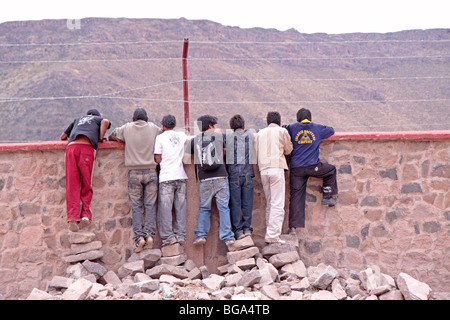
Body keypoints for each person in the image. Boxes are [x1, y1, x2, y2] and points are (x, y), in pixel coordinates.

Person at [108, 108, 162, 253]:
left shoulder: (127, 128)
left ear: (133, 118)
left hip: (134, 173)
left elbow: (112, 135)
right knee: (150, 205)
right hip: (151, 171)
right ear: (147, 119)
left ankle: (139, 238)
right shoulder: (154, 128)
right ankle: (150, 235)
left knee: (136, 206)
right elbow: (163, 136)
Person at [284, 108, 338, 235]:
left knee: (296, 196)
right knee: (331, 170)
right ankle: (327, 196)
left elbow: (283, 129)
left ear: (298, 119)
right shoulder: (317, 128)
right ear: (310, 118)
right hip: (313, 167)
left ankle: (293, 228)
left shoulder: (292, 127)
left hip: (296, 169)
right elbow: (331, 130)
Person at [186, 114, 235, 246]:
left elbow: (185, 157)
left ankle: (201, 235)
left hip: (204, 178)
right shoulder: (220, 137)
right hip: (220, 176)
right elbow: (229, 149)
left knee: (204, 208)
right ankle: (228, 237)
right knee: (223, 208)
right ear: (210, 126)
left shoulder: (195, 140)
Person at [61, 108, 110, 232]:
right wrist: (100, 137)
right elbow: (105, 121)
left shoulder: (78, 119)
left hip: (71, 149)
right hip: (85, 149)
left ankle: (72, 217)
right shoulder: (98, 119)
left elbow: (63, 137)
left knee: (72, 184)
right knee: (86, 184)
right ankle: (85, 215)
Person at [256, 111, 293, 244]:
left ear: (267, 122)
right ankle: (273, 235)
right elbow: (289, 150)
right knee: (278, 203)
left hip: (263, 169)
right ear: (280, 122)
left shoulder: (260, 133)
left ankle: (269, 232)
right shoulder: (282, 131)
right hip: (276, 167)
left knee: (270, 202)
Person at [154, 114, 188, 247]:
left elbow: (157, 158)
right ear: (174, 125)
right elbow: (189, 141)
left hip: (167, 177)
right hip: (181, 176)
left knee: (165, 208)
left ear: (163, 125)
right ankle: (180, 235)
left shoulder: (160, 137)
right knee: (180, 208)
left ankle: (168, 237)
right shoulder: (180, 135)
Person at [226, 114, 256, 240]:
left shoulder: (228, 138)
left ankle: (237, 230)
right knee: (248, 203)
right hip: (248, 174)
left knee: (235, 204)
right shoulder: (249, 136)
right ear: (243, 126)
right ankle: (247, 228)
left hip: (234, 175)